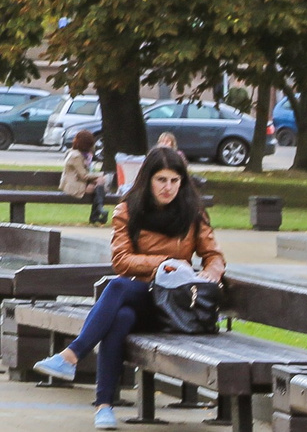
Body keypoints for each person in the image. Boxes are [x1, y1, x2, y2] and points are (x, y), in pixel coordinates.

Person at [33, 145, 225, 429]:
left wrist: (209, 272)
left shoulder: (193, 213)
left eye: (175, 180)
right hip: (145, 297)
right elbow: (121, 260)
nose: (168, 187)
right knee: (120, 310)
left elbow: (214, 255)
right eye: (161, 180)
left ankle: (72, 357)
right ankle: (104, 407)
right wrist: (163, 263)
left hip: (176, 305)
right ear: (148, 180)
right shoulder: (127, 210)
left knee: (117, 292)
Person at [60, 129, 112, 224]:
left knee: (99, 183)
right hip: (73, 186)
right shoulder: (76, 156)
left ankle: (97, 213)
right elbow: (84, 175)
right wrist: (100, 175)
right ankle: (97, 213)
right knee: (101, 184)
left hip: (79, 182)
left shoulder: (79, 153)